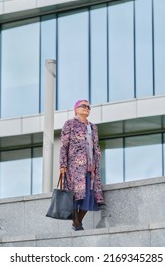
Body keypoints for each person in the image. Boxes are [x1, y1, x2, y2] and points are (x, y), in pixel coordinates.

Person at [59, 99, 104, 231]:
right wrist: (63, 165)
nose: (87, 108)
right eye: (83, 106)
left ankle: (77, 223)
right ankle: (77, 224)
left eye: (89, 107)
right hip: (74, 168)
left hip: (91, 167)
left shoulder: (93, 127)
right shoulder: (70, 124)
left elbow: (95, 146)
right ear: (76, 109)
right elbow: (63, 146)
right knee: (73, 196)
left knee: (89, 196)